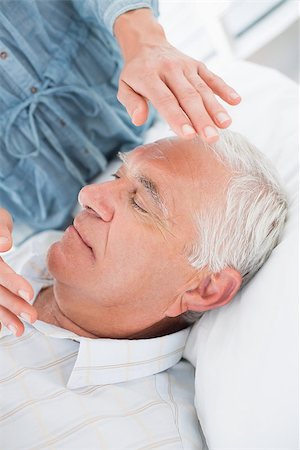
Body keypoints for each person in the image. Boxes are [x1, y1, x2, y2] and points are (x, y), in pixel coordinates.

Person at [0, 131, 287, 449]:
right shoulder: (30, 248)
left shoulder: (139, 437)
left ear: (205, 289)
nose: (89, 195)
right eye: (116, 176)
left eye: (140, 204)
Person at [0, 0, 241, 233]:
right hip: (30, 208)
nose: (88, 196)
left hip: (129, 121)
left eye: (141, 204)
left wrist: (141, 34)